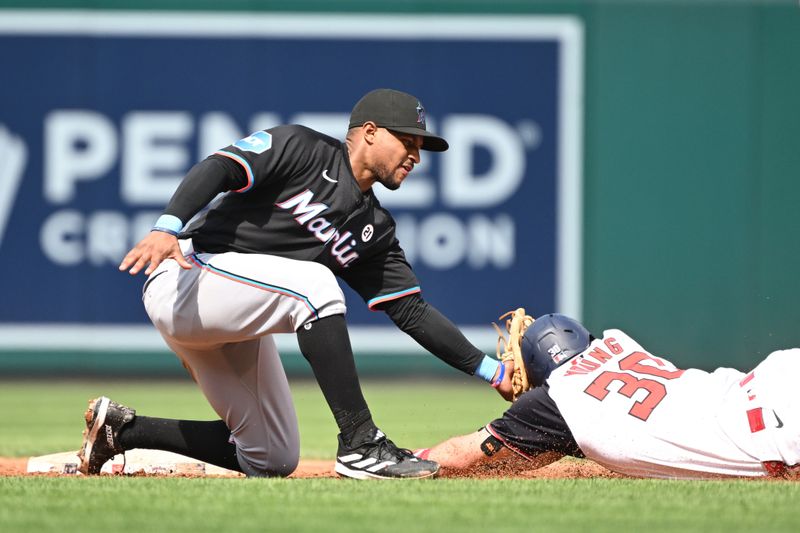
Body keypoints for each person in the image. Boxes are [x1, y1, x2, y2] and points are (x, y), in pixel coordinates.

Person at [78, 89, 512, 480]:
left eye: (420, 146)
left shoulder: (375, 228)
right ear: (370, 132)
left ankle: (122, 430)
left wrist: (494, 372)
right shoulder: (302, 148)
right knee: (317, 285)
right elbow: (220, 167)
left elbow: (412, 311)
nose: (416, 154)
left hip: (235, 317)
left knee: (271, 457)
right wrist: (167, 227)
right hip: (186, 277)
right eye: (408, 140)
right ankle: (360, 442)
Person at [415, 312, 800, 480]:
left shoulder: (555, 402)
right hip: (769, 378)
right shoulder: (620, 344)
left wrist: (407, 461)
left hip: (765, 435)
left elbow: (462, 458)